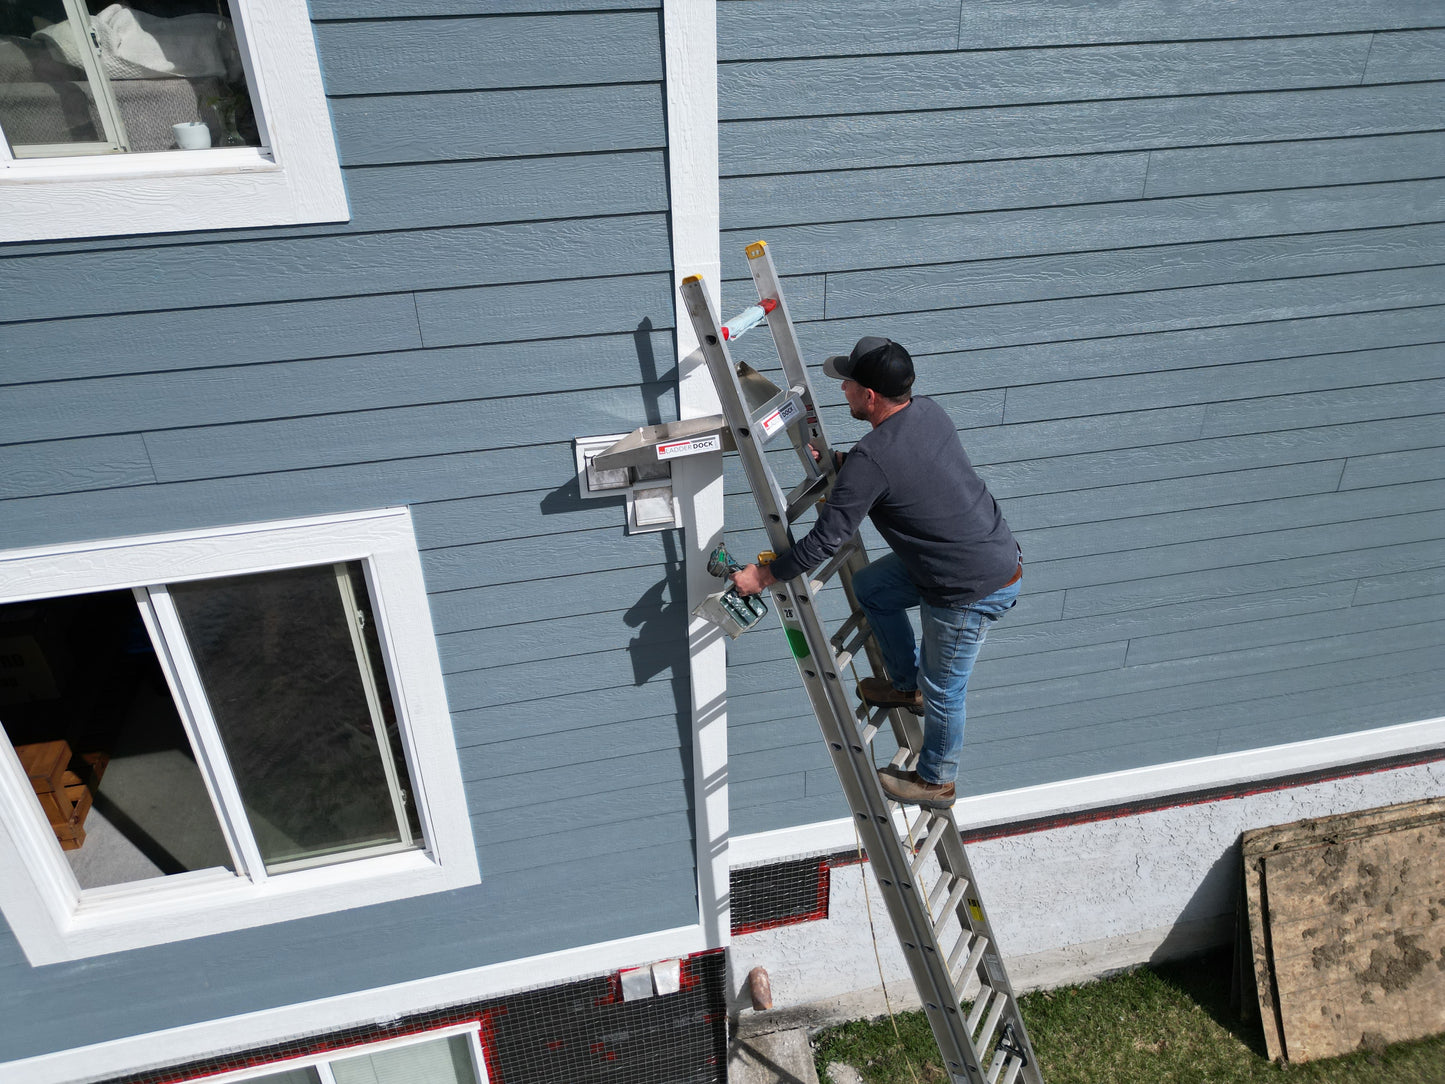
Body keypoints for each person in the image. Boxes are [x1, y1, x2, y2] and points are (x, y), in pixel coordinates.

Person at [728, 336, 1021, 809]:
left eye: (849, 382)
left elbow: (825, 541)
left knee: (944, 689)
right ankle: (905, 686)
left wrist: (761, 578)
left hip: (969, 586)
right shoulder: (926, 411)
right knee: (871, 587)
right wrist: (845, 464)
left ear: (870, 397)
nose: (841, 387)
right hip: (971, 555)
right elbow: (906, 466)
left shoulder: (874, 458)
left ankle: (937, 782)